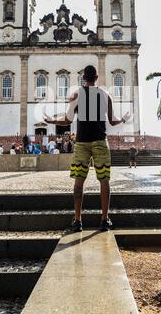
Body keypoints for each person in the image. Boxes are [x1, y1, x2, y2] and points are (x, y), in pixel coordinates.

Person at [44, 65, 131, 232]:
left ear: (84, 77)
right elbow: (113, 121)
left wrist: (52, 121)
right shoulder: (106, 95)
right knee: (104, 180)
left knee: (79, 181)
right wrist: (124, 120)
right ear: (97, 77)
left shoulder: (77, 95)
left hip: (82, 143)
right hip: (100, 141)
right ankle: (105, 220)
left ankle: (77, 220)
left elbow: (68, 120)